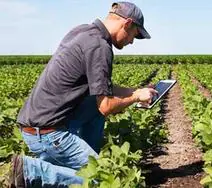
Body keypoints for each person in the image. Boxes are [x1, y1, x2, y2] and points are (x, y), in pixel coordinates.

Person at [9, 1, 157, 187]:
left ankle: (83, 160)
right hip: (48, 133)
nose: (132, 41)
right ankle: (29, 171)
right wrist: (135, 98)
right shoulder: (100, 47)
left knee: (92, 107)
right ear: (127, 23)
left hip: (36, 123)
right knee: (103, 178)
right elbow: (106, 106)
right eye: (134, 35)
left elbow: (104, 91)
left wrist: (136, 91)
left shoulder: (83, 32)